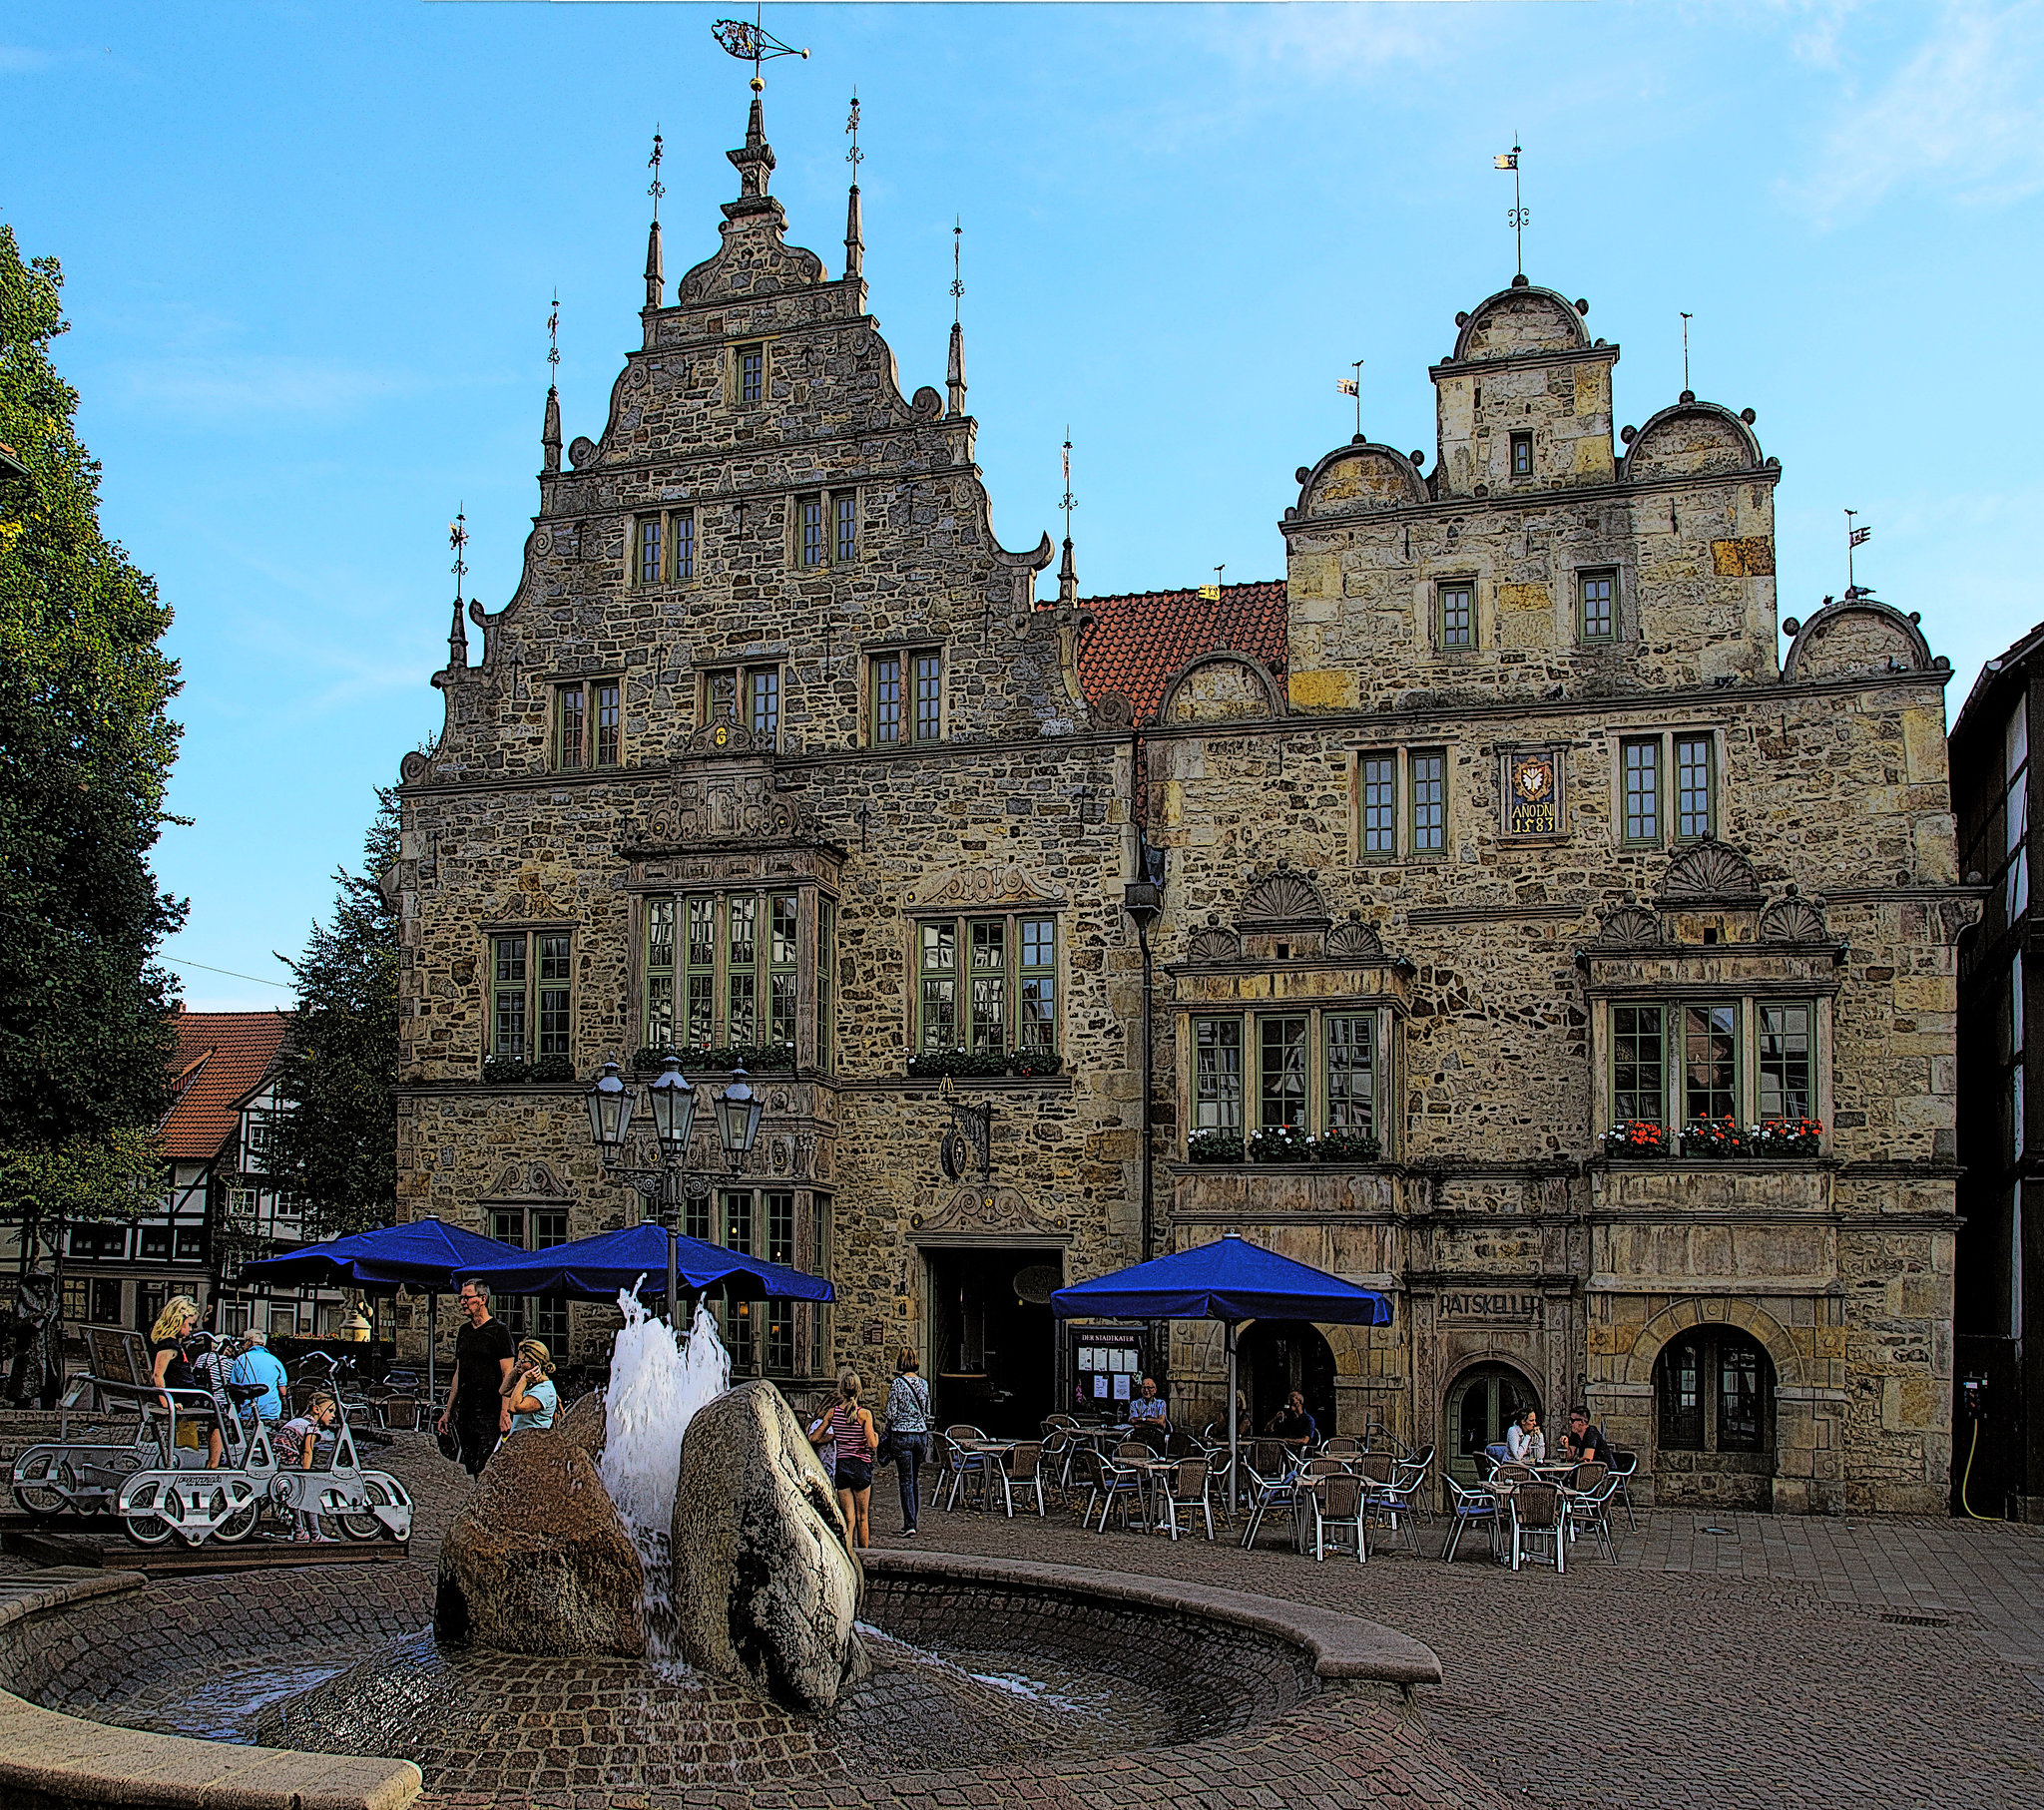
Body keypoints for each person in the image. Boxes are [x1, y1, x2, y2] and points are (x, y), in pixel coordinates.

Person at [436, 1278, 514, 1477]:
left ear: (482, 1299)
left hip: (490, 1411)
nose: (462, 1302)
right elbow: (458, 1373)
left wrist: (504, 1413)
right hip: (467, 1411)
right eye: (461, 1297)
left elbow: (509, 1374)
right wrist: (448, 1411)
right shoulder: (464, 1332)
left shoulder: (499, 1331)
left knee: (487, 1466)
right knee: (472, 1466)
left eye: (466, 1297)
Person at [148, 1295, 223, 1468]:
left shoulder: (167, 1342)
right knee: (220, 1414)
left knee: (213, 1403)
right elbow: (157, 1375)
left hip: (184, 1392)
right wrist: (166, 1402)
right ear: (177, 1321)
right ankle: (213, 1463)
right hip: (183, 1395)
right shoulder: (169, 1346)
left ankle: (208, 1458)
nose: (191, 1329)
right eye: (189, 1324)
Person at [811, 1368, 877, 1551]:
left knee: (848, 1519)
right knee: (862, 1517)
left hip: (842, 1466)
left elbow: (814, 1438)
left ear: (841, 1391)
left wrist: (832, 1437)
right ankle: (864, 1556)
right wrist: (877, 1437)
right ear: (859, 1390)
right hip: (861, 1466)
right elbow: (872, 1443)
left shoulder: (833, 1413)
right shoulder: (864, 1415)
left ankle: (847, 1556)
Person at [274, 1392, 338, 1541]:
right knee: (309, 1495)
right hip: (291, 1463)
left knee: (295, 1498)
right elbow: (307, 1451)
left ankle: (299, 1532)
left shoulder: (298, 1421)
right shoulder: (311, 1425)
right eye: (330, 1411)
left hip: (280, 1462)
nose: (333, 1415)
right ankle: (315, 1535)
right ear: (316, 1409)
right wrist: (306, 1474)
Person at [884, 1346, 933, 1537]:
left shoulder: (897, 1384)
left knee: (905, 1479)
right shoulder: (924, 1384)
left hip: (902, 1435)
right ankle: (913, 1519)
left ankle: (909, 1523)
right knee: (914, 1478)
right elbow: (927, 1412)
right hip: (920, 1435)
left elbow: (891, 1413)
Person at [230, 1328, 289, 1428]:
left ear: (249, 1342)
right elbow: (283, 1392)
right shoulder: (275, 1361)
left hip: (247, 1412)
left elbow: (234, 1388)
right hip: (271, 1412)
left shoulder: (240, 1359)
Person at [502, 1339, 559, 1432]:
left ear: (536, 1363)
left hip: (532, 1442)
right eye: (518, 1360)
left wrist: (524, 1379)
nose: (518, 1364)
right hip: (520, 1441)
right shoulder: (530, 1384)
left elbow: (513, 1407)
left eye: (523, 1361)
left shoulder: (544, 1390)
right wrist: (517, 1368)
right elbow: (503, 1390)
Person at [1128, 1376, 1171, 1452]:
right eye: (1144, 1388)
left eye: (1149, 1388)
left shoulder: (1161, 1403)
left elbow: (1161, 1422)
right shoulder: (1134, 1404)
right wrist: (1152, 1421)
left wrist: (1142, 1419)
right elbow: (1133, 1421)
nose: (1146, 1390)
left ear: (1155, 1390)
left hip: (1156, 1435)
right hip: (1140, 1434)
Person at [1563, 1405, 1613, 1469]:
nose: (1570, 1423)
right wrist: (1566, 1445)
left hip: (1603, 1471)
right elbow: (1569, 1457)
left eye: (1572, 1420)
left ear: (1582, 1422)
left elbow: (1587, 1459)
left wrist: (1576, 1460)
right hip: (1588, 1470)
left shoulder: (1591, 1433)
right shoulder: (1575, 1433)